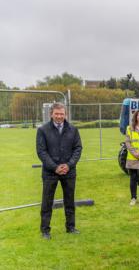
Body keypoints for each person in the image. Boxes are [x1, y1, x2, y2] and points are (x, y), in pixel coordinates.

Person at [36, 102, 82, 240]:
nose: (59, 116)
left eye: (62, 114)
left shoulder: (73, 130)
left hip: (69, 171)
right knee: (47, 202)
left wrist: (69, 165)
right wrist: (55, 167)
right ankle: (45, 230)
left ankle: (71, 227)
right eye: (57, 114)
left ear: (65, 114)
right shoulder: (43, 130)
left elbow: (78, 149)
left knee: (69, 201)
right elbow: (41, 151)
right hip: (50, 172)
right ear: (51, 114)